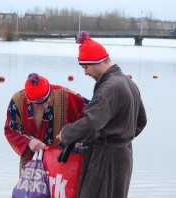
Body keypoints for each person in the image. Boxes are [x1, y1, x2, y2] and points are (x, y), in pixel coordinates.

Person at [56, 31, 147, 198]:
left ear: (96, 62)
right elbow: (141, 120)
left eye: (85, 67)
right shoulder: (128, 82)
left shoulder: (109, 88)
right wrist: (122, 137)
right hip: (124, 155)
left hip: (105, 159)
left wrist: (67, 134)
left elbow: (91, 123)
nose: (85, 72)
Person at [4, 73, 90, 172]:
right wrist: (29, 141)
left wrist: (75, 135)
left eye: (48, 98)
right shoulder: (18, 100)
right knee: (29, 187)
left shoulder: (66, 95)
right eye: (40, 104)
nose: (45, 105)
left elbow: (93, 115)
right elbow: (11, 128)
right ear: (29, 100)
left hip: (62, 164)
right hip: (31, 164)